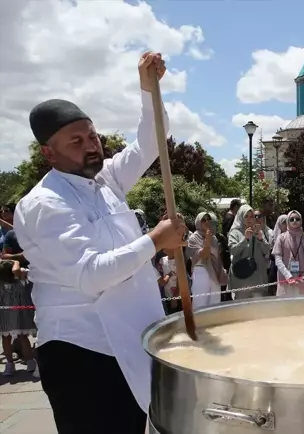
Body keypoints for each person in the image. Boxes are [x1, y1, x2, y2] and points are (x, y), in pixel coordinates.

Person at [13, 52, 187, 434]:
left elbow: (150, 142)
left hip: (127, 343)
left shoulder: (106, 181)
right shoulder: (44, 204)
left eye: (92, 135)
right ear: (48, 153)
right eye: (76, 141)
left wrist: (148, 90)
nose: (91, 145)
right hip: (81, 355)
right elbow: (92, 274)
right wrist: (155, 240)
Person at [228, 205, 271, 299]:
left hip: (258, 279)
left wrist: (260, 239)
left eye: (251, 216)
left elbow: (267, 250)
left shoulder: (258, 231)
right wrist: (245, 239)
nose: (249, 219)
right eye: (246, 216)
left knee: (258, 310)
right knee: (242, 310)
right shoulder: (235, 232)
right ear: (240, 217)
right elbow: (233, 250)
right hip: (242, 280)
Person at [187, 212, 228, 310]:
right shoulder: (193, 238)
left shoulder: (214, 238)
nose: (207, 222)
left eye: (208, 220)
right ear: (198, 222)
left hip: (214, 273)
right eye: (203, 220)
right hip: (201, 272)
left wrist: (221, 272)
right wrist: (207, 238)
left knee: (215, 305)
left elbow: (217, 258)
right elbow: (204, 255)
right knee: (200, 305)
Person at [272, 210, 304, 295]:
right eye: (291, 219)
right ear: (288, 221)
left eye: (297, 219)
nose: (294, 221)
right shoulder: (281, 238)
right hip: (285, 278)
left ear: (301, 220)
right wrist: (288, 275)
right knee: (285, 306)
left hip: (302, 278)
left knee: (301, 305)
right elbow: (278, 260)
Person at [268, 214, 288, 296]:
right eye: (283, 222)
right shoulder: (273, 235)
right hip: (275, 263)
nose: (286, 225)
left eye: (287, 222)